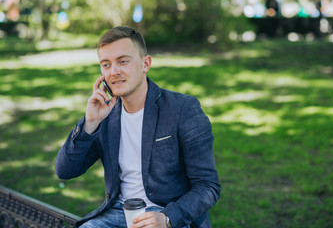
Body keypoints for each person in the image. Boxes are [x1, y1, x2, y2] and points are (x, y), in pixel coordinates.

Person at [55, 26, 221, 228]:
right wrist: (90, 122)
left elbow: (207, 186)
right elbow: (65, 171)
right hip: (118, 214)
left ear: (146, 64)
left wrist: (168, 218)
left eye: (123, 61)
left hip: (170, 216)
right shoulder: (105, 116)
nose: (114, 72)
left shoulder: (182, 109)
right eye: (106, 64)